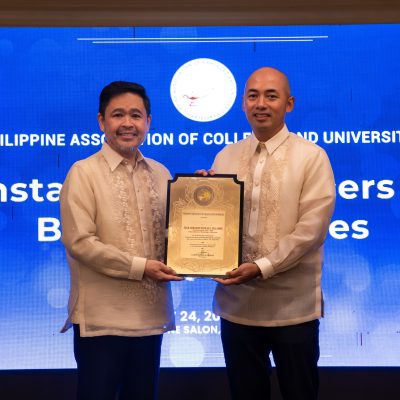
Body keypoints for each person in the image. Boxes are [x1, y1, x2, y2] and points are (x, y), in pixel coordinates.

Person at [200, 67, 336, 400]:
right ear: (243, 104)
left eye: (271, 96)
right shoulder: (226, 156)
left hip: (293, 309)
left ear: (289, 104)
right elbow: (216, 224)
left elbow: (311, 231)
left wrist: (261, 267)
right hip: (237, 307)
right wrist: (198, 197)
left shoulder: (312, 157)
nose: (261, 103)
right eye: (253, 96)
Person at [59, 81, 183, 400]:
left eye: (136, 115)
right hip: (102, 322)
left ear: (148, 122)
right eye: (118, 115)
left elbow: (177, 235)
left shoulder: (161, 173)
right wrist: (141, 267)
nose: (128, 123)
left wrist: (205, 199)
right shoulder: (83, 173)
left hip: (150, 318)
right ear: (102, 121)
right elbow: (80, 242)